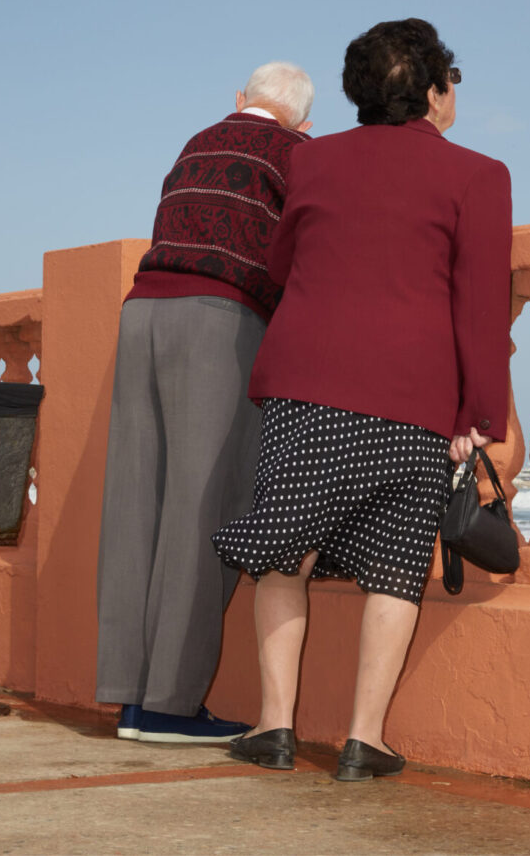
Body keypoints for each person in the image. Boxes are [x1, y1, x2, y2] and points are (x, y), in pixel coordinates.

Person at [212, 19, 512, 778]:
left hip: (307, 384)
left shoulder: (312, 163)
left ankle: (275, 729)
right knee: (394, 565)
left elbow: (281, 261)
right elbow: (479, 307)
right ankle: (362, 740)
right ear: (434, 92)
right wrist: (479, 418)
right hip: (413, 398)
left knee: (284, 554)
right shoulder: (479, 175)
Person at [95, 62, 314, 743]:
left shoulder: (196, 141)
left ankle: (128, 694)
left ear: (240, 100)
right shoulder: (296, 154)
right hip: (219, 319)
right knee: (205, 503)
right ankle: (168, 704)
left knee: (136, 500)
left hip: (142, 313)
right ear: (302, 120)